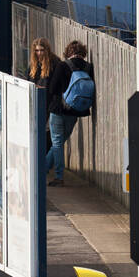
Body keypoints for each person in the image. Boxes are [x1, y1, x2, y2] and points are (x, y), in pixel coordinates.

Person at [45, 40, 94, 186]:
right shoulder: (88, 67)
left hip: (58, 110)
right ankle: (43, 168)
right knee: (59, 143)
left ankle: (58, 177)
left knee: (57, 143)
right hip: (76, 112)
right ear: (83, 53)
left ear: (68, 52)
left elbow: (52, 88)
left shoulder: (62, 65)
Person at [28, 36, 60, 153]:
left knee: (47, 132)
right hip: (36, 101)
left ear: (47, 50)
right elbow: (29, 79)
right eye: (37, 50)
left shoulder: (55, 63)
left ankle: (44, 160)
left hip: (49, 102)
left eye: (42, 50)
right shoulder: (34, 63)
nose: (39, 53)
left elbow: (56, 85)